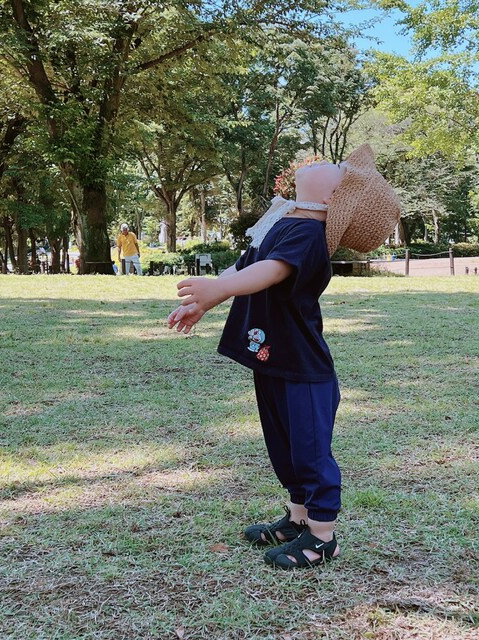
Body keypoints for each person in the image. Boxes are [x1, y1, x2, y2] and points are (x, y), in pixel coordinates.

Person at [167, 144, 400, 569]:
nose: (331, 163)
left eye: (339, 171)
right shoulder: (285, 221)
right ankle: (297, 520)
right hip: (275, 359)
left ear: (331, 198)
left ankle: (322, 536)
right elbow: (246, 266)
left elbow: (272, 270)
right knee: (284, 447)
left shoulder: (309, 235)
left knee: (310, 452)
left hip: (303, 368)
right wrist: (207, 299)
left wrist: (219, 289)